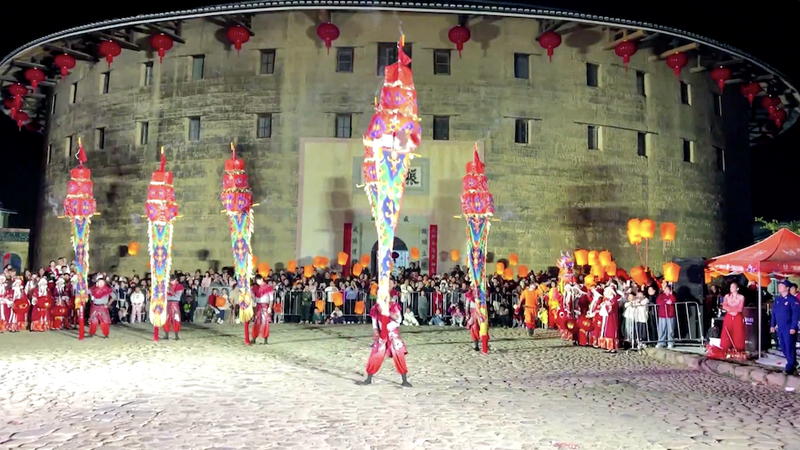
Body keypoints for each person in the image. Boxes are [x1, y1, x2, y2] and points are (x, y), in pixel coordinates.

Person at [359, 301, 411, 387]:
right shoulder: (376, 308)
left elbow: (399, 320)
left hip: (393, 334)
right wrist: (376, 333)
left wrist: (389, 314)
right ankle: (369, 378)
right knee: (375, 355)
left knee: (399, 355)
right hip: (382, 334)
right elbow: (375, 324)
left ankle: (404, 380)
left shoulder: (394, 306)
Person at [771, 280, 800, 374]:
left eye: (781, 286)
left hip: (789, 327)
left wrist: (793, 327)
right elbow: (774, 313)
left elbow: (795, 315)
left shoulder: (793, 300)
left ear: (787, 288)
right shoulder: (778, 299)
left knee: (789, 347)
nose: (779, 287)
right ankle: (793, 363)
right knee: (783, 347)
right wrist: (772, 325)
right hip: (780, 327)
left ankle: (790, 366)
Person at [717, 282, 746, 359]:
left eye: (733, 287)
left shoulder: (741, 297)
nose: (731, 288)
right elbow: (724, 306)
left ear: (737, 288)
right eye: (730, 287)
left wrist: (730, 309)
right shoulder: (727, 296)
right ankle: (726, 349)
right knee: (727, 332)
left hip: (737, 316)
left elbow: (740, 308)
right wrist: (731, 309)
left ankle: (738, 350)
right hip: (729, 315)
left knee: (738, 332)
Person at [251, 275, 272, 344]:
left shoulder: (268, 287)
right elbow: (252, 296)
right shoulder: (255, 288)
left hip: (265, 305)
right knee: (256, 322)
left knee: (265, 322)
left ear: (261, 279)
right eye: (256, 281)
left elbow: (271, 299)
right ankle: (254, 338)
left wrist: (270, 307)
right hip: (258, 305)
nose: (257, 282)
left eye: (258, 280)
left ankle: (265, 338)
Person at [656, 284, 677, 349]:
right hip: (662, 315)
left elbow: (674, 300)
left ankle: (670, 342)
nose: (666, 290)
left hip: (670, 315)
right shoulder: (661, 295)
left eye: (668, 289)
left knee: (670, 329)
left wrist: (671, 295)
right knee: (662, 329)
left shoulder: (673, 296)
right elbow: (658, 301)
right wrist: (665, 302)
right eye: (665, 289)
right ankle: (661, 342)